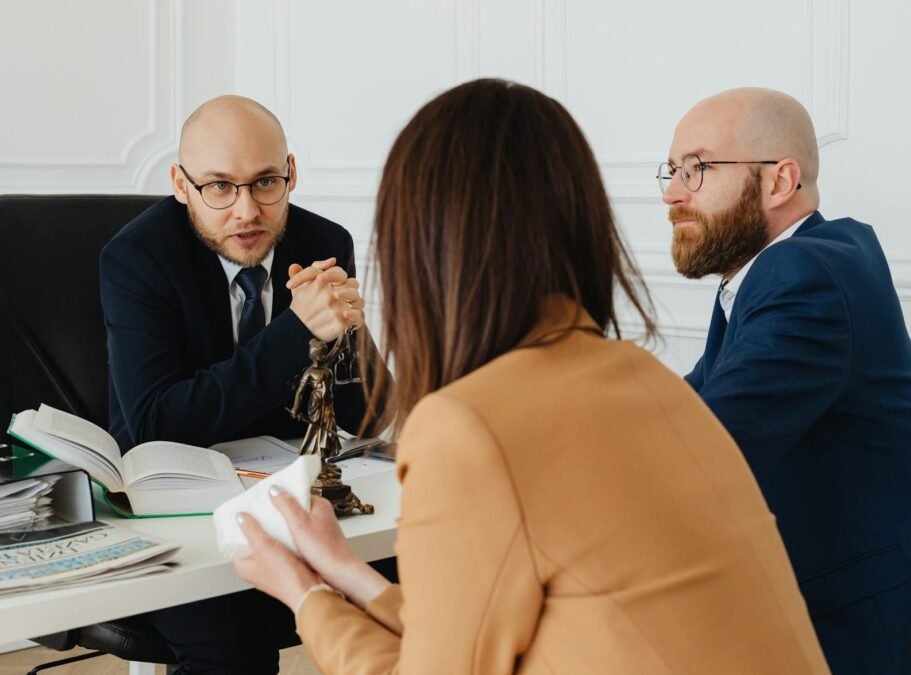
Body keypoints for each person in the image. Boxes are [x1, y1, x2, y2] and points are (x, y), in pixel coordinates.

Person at [232, 78, 830, 674]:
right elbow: (475, 631)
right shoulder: (642, 376)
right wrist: (344, 573)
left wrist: (305, 598)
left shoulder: (468, 425)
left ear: (424, 243)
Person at [661, 87, 911, 674]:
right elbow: (692, 399)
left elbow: (707, 443)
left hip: (882, 635)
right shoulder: (775, 273)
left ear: (779, 181)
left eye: (697, 169)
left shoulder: (804, 272)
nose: (671, 193)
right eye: (672, 170)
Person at [99, 95, 387, 674]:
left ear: (292, 174)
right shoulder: (135, 258)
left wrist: (350, 337)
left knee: (439, 575)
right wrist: (294, 332)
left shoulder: (323, 241)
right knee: (231, 645)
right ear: (181, 184)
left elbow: (364, 413)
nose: (246, 211)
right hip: (175, 506)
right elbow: (158, 422)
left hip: (292, 492)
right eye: (220, 188)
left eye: (264, 183)